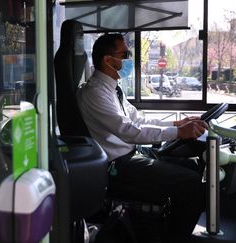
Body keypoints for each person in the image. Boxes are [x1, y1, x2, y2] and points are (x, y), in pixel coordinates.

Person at [76, 33, 207, 242]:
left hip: (133, 152)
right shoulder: (94, 93)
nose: (129, 59)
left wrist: (177, 124)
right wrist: (178, 133)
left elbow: (138, 119)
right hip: (118, 164)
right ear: (108, 60)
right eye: (125, 54)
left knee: (192, 167)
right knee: (192, 184)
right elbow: (127, 130)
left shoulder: (113, 88)